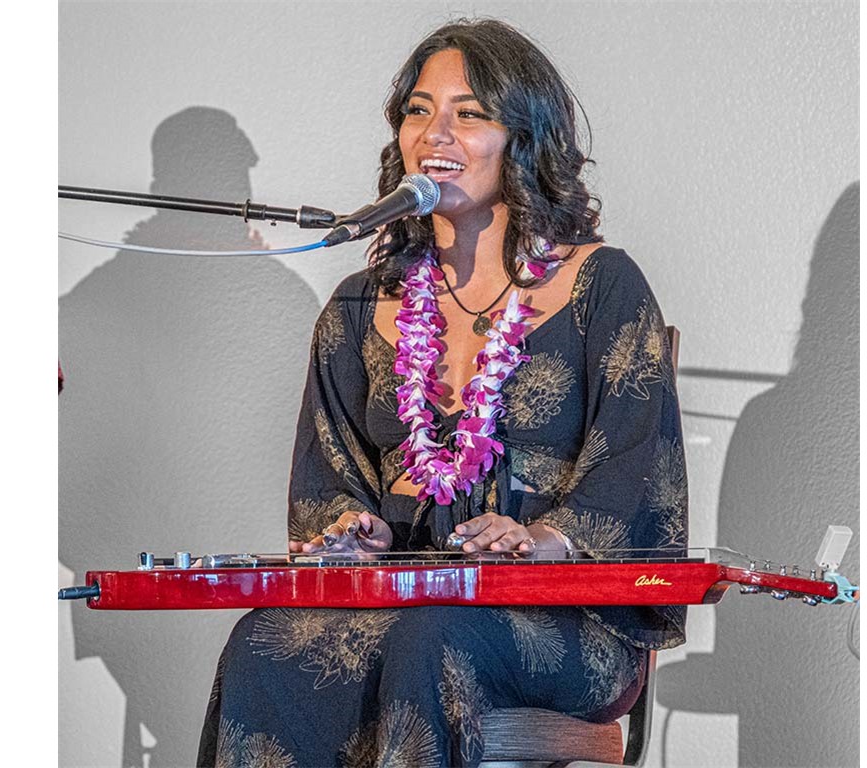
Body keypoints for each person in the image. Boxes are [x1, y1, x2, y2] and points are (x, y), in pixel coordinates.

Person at [198, 19, 687, 768]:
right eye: (419, 110)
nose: (435, 133)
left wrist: (547, 538)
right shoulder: (358, 307)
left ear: (524, 138)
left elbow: (637, 469)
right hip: (403, 600)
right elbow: (327, 478)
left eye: (470, 113)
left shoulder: (602, 285)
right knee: (262, 641)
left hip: (564, 617)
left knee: (432, 635)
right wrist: (354, 530)